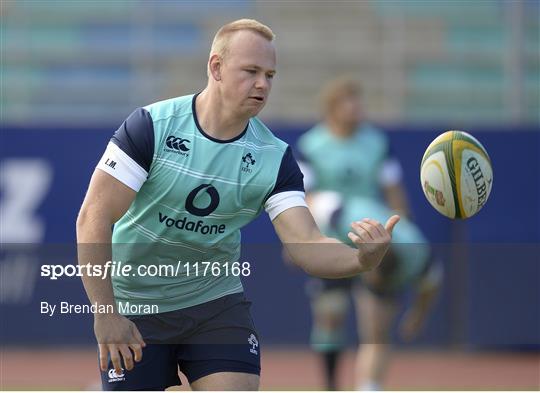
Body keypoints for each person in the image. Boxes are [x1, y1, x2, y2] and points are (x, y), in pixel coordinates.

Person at [76, 20, 399, 391]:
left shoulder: (274, 158)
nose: (263, 84)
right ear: (216, 67)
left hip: (214, 303)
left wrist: (362, 259)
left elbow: (306, 244)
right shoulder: (151, 126)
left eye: (270, 74)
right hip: (136, 303)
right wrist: (106, 312)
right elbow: (93, 218)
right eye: (251, 71)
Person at [297, 77, 442, 391]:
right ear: (332, 108)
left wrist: (400, 225)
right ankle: (330, 384)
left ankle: (369, 386)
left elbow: (394, 191)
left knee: (375, 325)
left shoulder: (376, 142)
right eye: (349, 102)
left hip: (374, 239)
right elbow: (302, 198)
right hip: (332, 240)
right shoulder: (312, 145)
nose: (357, 108)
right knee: (330, 316)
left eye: (359, 101)